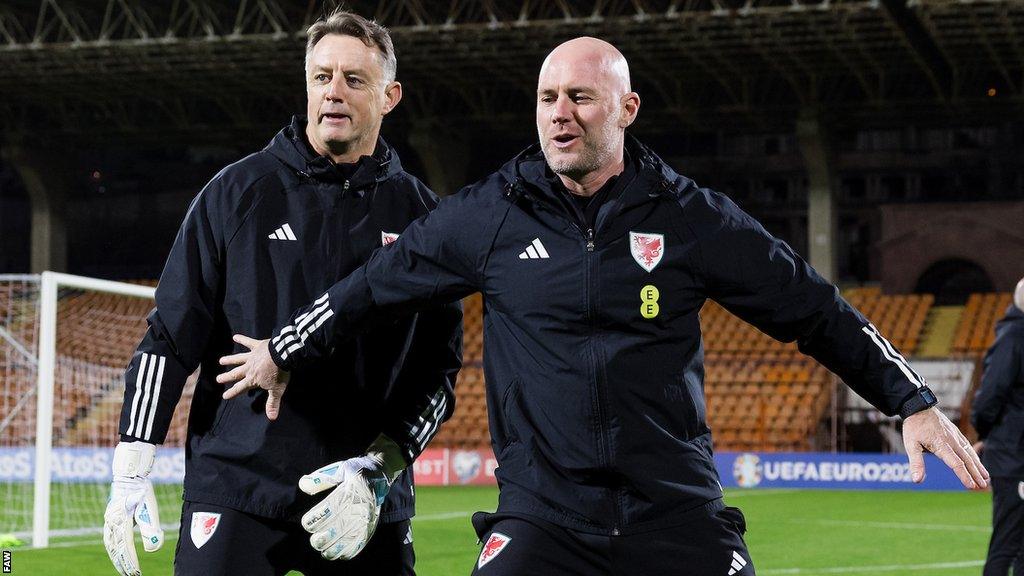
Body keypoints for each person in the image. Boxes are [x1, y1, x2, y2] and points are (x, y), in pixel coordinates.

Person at [218, 37, 988, 575]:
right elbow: (372, 287)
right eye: (548, 98)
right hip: (543, 520)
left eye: (581, 98)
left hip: (677, 511)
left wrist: (910, 400)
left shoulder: (689, 218)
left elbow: (812, 305)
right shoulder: (489, 214)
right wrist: (283, 349)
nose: (560, 113)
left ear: (626, 108)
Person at [102, 10, 462, 576]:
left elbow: (438, 373)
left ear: (391, 96)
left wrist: (379, 469)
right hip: (237, 483)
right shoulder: (237, 192)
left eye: (354, 79)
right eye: (322, 77)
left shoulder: (422, 217)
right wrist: (132, 461)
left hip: (360, 495)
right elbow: (171, 336)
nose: (334, 93)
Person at [972, 277, 1024, 576]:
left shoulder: (1012, 337)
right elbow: (989, 397)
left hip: (1012, 453)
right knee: (1007, 546)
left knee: (1011, 546)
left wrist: (986, 434)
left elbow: (990, 396)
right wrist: (987, 436)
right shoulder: (1015, 336)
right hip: (1014, 457)